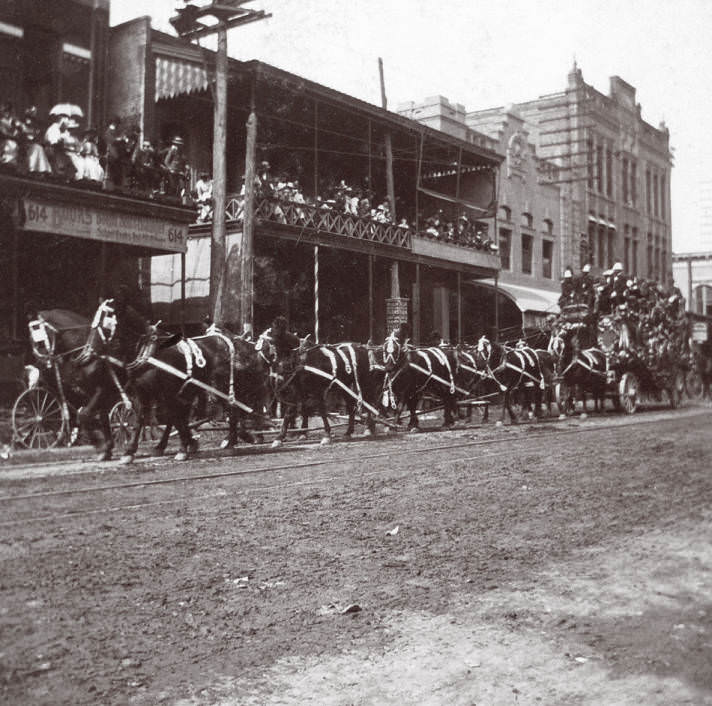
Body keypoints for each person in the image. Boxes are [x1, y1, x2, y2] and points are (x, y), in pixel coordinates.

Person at [19, 106, 51, 175]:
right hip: (25, 143)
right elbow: (22, 134)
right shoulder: (22, 124)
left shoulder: (35, 126)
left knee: (38, 147)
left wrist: (35, 136)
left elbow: (36, 136)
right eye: (31, 113)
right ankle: (31, 168)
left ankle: (40, 169)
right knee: (36, 147)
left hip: (32, 143)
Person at [0, 102, 21, 170]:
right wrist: (12, 136)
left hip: (11, 138)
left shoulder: (13, 121)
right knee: (10, 144)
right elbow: (3, 132)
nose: (7, 113)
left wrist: (17, 130)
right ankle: (5, 161)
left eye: (8, 111)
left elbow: (19, 128)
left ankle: (11, 163)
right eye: (5, 111)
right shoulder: (1, 121)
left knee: (13, 144)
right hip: (3, 139)